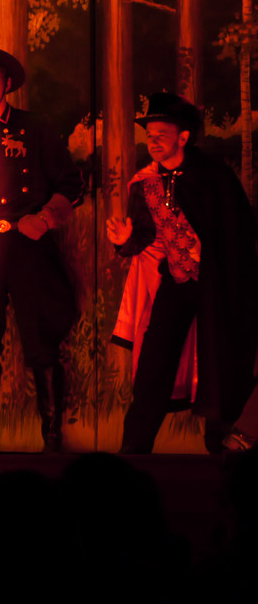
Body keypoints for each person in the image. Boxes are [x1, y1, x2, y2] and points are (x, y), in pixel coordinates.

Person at [0, 47, 83, 453]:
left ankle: (52, 436)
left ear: (6, 84)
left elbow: (71, 184)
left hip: (29, 242)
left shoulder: (36, 127)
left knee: (41, 335)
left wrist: (44, 219)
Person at [107, 92, 258, 454]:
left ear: (183, 137)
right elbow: (145, 235)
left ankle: (220, 450)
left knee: (219, 361)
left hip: (217, 286)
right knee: (154, 363)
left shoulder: (213, 177)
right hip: (176, 281)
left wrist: (225, 272)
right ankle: (134, 452)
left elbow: (239, 231)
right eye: (150, 136)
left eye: (162, 135)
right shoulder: (145, 183)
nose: (153, 142)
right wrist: (126, 242)